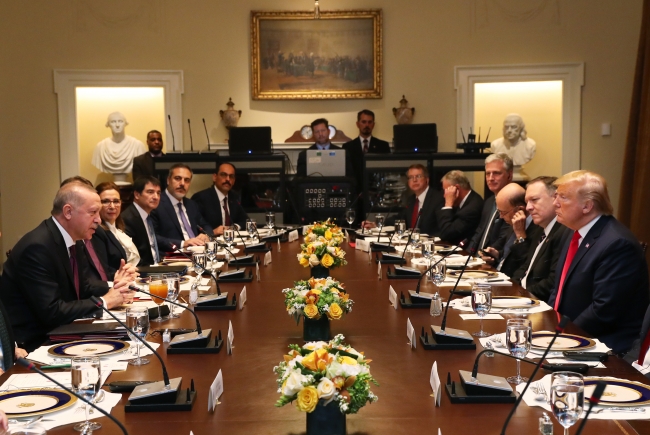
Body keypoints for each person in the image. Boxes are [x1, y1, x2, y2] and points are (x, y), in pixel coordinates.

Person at [0, 181, 131, 350]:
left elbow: (83, 288)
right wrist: (105, 301)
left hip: (65, 331)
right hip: (35, 343)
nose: (99, 220)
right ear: (68, 212)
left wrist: (116, 287)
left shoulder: (75, 241)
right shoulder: (38, 247)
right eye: (93, 212)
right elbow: (52, 312)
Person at [548, 170, 649, 354]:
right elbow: (559, 288)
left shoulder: (617, 243)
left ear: (587, 206)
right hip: (569, 335)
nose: (555, 203)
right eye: (556, 196)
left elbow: (603, 311)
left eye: (563, 197)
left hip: (605, 346)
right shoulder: (573, 232)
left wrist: (564, 336)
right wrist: (550, 324)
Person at [511, 177, 569, 301]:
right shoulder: (540, 228)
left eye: (534, 200)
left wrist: (519, 294)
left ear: (555, 198)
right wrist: (510, 288)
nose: (528, 207)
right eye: (527, 202)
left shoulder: (564, 232)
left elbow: (552, 283)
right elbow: (525, 268)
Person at [362, 164, 443, 235]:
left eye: (418, 176)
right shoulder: (411, 200)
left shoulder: (438, 199)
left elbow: (442, 228)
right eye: (411, 177)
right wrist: (376, 224)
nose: (414, 180)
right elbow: (400, 218)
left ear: (427, 180)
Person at [480, 183, 540, 277]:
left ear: (520, 210)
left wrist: (520, 235)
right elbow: (509, 252)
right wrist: (497, 254)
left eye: (503, 212)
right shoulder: (512, 221)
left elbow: (527, 264)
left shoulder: (538, 227)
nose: (501, 216)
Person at [151, 163, 212, 252]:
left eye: (187, 180)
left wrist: (205, 235)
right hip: (173, 255)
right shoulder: (156, 204)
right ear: (168, 180)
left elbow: (206, 226)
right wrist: (183, 243)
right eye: (177, 178)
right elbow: (152, 237)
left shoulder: (192, 205)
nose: (182, 183)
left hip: (198, 252)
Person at [469, 153, 514, 253]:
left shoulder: (513, 203)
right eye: (488, 173)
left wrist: (485, 255)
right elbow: (479, 232)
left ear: (509, 175)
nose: (491, 178)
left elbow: (504, 239)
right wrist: (469, 255)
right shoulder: (489, 201)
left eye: (496, 173)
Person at [192, 162, 249, 236]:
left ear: (234, 181)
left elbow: (245, 220)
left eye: (231, 176)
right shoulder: (201, 197)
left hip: (231, 240)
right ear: (214, 177)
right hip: (210, 241)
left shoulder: (234, 197)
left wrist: (234, 227)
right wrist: (212, 232)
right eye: (223, 175)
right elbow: (195, 226)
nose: (228, 179)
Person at [342, 110, 390, 191]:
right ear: (358, 124)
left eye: (370, 122)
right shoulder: (348, 147)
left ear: (373, 125)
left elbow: (386, 172)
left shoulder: (383, 146)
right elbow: (347, 173)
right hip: (355, 192)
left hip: (377, 191)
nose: (367, 125)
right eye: (363, 122)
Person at [96, 182, 140, 267]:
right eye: (106, 201)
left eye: (116, 201)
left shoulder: (120, 229)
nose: (112, 206)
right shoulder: (97, 232)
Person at [435, 170, 484, 244]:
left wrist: (448, 204)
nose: (444, 195)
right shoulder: (462, 201)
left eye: (446, 191)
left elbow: (447, 233)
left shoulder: (472, 208)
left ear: (457, 188)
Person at [91, 112, 147, 177]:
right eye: (113, 122)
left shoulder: (137, 145)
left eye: (120, 121)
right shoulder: (100, 147)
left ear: (125, 123)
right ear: (108, 124)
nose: (117, 125)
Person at [122, 176, 162, 266]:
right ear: (137, 195)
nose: (156, 197)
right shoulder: (128, 219)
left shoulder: (148, 216)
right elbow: (133, 258)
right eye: (150, 192)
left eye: (158, 193)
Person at [490, 114, 536, 180]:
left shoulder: (530, 145)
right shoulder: (495, 145)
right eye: (506, 127)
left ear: (521, 128)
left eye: (514, 127)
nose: (509, 130)